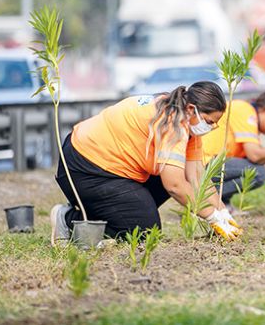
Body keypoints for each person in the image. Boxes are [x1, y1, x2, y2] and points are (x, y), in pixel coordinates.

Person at [50, 81, 242, 245]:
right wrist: (211, 216)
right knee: (144, 232)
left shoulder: (185, 120)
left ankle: (110, 210)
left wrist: (223, 212)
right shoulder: (172, 123)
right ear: (192, 109)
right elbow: (175, 185)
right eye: (209, 121)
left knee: (175, 175)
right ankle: (69, 221)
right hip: (85, 167)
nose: (211, 127)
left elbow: (197, 175)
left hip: (113, 169)